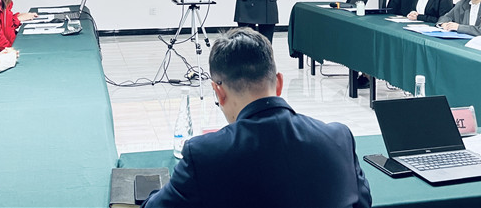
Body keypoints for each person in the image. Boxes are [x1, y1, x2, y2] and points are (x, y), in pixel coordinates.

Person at [142, 28, 372, 208]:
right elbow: (363, 203)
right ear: (279, 83)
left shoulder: (203, 155)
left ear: (218, 92)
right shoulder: (339, 138)